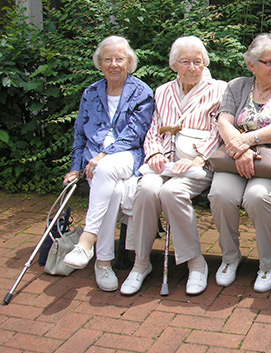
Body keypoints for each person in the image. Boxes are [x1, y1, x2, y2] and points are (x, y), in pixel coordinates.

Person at [119, 36, 227, 296]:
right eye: (186, 62)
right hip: (164, 164)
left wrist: (197, 158)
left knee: (172, 192)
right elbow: (154, 127)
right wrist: (154, 153)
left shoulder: (220, 89)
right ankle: (141, 263)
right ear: (174, 65)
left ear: (205, 63)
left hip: (198, 165)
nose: (192, 67)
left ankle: (196, 264)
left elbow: (219, 130)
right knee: (145, 190)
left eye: (198, 62)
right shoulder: (163, 90)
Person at [208, 33, 271, 292]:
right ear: (252, 65)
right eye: (270, 62)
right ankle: (230, 258)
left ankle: (270, 262)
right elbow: (223, 121)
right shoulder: (236, 86)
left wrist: (247, 141)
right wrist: (240, 151)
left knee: (257, 197)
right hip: (236, 159)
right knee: (219, 194)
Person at [62, 36, 155, 291]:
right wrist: (74, 167)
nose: (114, 64)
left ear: (129, 62)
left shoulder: (142, 92)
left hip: (127, 155)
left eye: (119, 59)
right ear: (100, 63)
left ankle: (86, 242)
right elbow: (79, 134)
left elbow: (135, 134)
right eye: (108, 59)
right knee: (112, 191)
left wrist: (104, 154)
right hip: (94, 160)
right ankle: (102, 262)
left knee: (104, 168)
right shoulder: (91, 93)